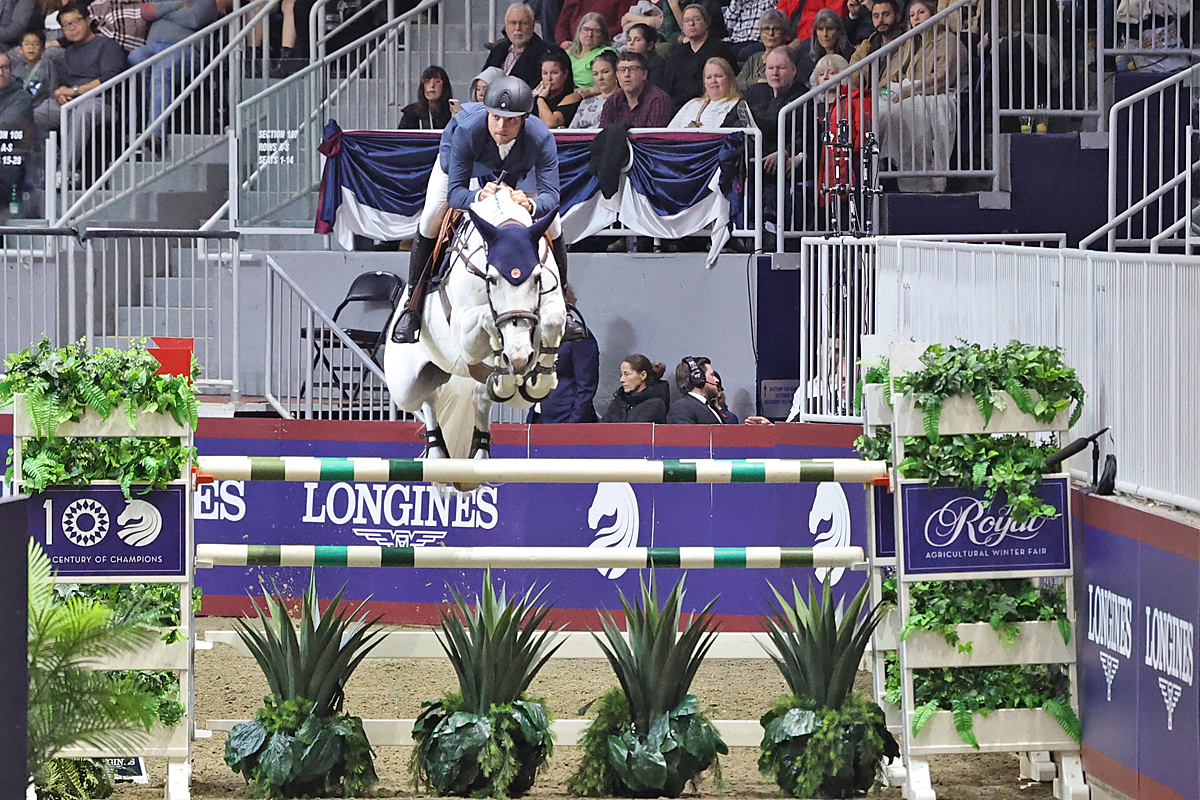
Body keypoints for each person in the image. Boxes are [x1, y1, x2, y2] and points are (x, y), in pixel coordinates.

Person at [391, 77, 564, 344]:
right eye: (495, 117)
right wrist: (477, 195)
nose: (501, 126)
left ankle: (565, 302)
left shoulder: (541, 138)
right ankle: (412, 306)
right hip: (463, 167)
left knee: (554, 224)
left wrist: (530, 203)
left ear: (526, 118)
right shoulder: (468, 130)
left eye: (511, 120)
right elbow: (455, 194)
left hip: (515, 166)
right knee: (429, 219)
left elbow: (551, 196)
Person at [876, 0, 966, 192]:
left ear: (933, 14)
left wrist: (908, 91)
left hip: (935, 95)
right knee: (876, 104)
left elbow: (942, 77)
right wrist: (888, 87)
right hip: (906, 93)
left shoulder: (948, 40)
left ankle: (916, 180)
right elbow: (890, 76)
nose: (916, 18)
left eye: (921, 12)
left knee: (896, 112)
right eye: (912, 15)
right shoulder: (910, 44)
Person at [34, 3, 128, 170]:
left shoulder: (106, 45)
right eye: (65, 25)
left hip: (101, 102)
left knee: (82, 112)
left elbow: (110, 77)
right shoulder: (68, 52)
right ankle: (53, 165)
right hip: (72, 101)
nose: (71, 28)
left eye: (75, 22)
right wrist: (60, 94)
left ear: (88, 21)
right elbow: (64, 84)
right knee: (37, 114)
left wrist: (75, 92)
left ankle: (64, 171)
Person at [130, 0, 228, 148]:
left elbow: (195, 20)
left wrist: (162, 13)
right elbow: (146, 12)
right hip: (153, 46)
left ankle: (156, 132)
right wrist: (178, 5)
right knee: (134, 58)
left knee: (162, 70)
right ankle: (143, 120)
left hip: (185, 48)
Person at [528, 286, 599, 423]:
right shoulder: (539, 333)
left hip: (565, 417)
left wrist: (573, 422)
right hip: (538, 415)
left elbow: (586, 386)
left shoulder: (580, 335)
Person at [739, 47, 803, 176]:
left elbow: (806, 136)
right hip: (745, 154)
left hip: (774, 163)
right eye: (770, 68)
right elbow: (729, 120)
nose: (775, 73)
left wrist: (786, 151)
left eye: (781, 68)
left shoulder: (803, 96)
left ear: (793, 70)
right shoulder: (754, 91)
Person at [661, 4, 736, 109]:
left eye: (696, 19)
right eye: (687, 21)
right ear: (683, 27)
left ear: (706, 23)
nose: (691, 24)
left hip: (710, 105)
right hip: (679, 108)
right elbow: (667, 86)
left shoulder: (720, 50)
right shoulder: (677, 54)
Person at [664, 356, 770, 423]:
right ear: (698, 378)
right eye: (712, 375)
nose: (716, 380)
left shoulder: (710, 408)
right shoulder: (682, 407)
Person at [484, 3, 551, 91]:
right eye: (513, 23)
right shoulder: (498, 50)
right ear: (506, 25)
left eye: (523, 23)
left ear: (532, 25)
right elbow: (483, 80)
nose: (517, 28)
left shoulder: (545, 53)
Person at [668, 57, 751, 128]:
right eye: (709, 77)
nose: (713, 81)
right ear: (704, 82)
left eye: (718, 76)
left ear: (729, 79)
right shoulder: (692, 103)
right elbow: (669, 132)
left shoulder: (737, 105)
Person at [599, 50, 673, 127]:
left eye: (632, 69)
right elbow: (603, 134)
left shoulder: (658, 100)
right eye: (622, 70)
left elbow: (654, 137)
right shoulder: (613, 101)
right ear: (617, 75)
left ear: (644, 74)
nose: (626, 74)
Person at [791, 9, 854, 91]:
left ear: (839, 31)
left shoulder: (851, 54)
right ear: (815, 32)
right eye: (820, 29)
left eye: (830, 29)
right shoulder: (805, 54)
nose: (825, 34)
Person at [600, 354, 669, 422]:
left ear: (643, 375)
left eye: (626, 374)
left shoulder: (655, 405)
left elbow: (637, 431)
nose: (621, 379)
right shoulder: (618, 402)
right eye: (622, 374)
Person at [736, 9, 787, 93]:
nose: (771, 33)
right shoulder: (754, 58)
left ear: (784, 33)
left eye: (776, 29)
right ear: (760, 33)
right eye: (766, 29)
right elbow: (737, 83)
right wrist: (757, 81)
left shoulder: (787, 58)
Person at [563, 12, 617, 90]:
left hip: (588, 96)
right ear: (579, 31)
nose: (590, 34)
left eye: (596, 31)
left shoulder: (606, 53)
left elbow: (613, 85)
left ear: (603, 35)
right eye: (586, 29)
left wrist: (589, 91)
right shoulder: (567, 53)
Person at [569, 49, 617, 127]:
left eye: (605, 72)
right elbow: (572, 131)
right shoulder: (586, 103)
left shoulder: (624, 100)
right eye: (595, 74)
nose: (600, 78)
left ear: (616, 73)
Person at [534, 49, 582, 128]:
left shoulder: (573, 97)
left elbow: (550, 124)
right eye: (545, 73)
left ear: (565, 74)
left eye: (554, 73)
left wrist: (541, 99)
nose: (549, 78)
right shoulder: (535, 96)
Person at [12, 30, 56, 106]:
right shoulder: (16, 69)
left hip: (40, 106)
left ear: (43, 49)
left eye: (36, 44)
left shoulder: (47, 65)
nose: (31, 48)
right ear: (20, 49)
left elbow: (53, 88)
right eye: (27, 44)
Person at [849, 0, 901, 66]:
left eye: (886, 15)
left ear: (898, 16)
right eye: (876, 16)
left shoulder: (909, 42)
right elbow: (853, 72)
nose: (880, 20)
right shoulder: (866, 46)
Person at [555, 0, 627, 47]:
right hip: (573, 45)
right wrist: (563, 41)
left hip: (604, 46)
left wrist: (598, 34)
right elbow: (563, 23)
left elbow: (624, 25)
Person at [623, 22, 665, 88]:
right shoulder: (623, 62)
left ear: (650, 45)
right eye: (629, 39)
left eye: (637, 40)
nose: (631, 43)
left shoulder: (657, 65)